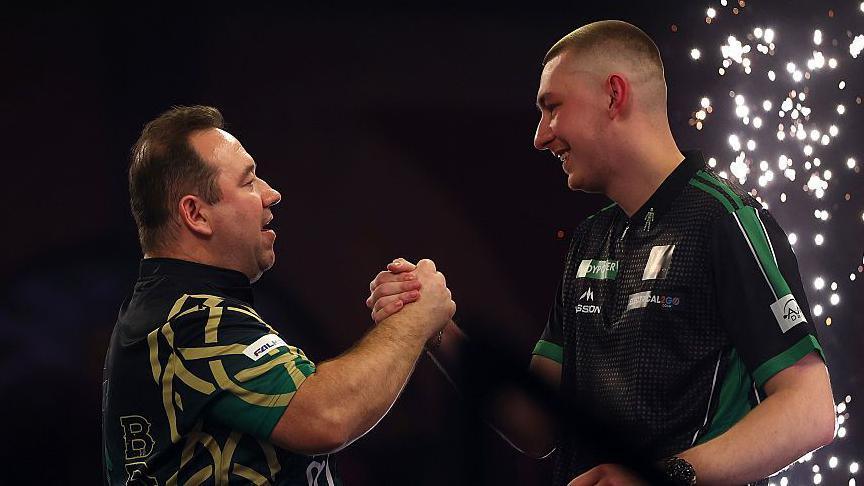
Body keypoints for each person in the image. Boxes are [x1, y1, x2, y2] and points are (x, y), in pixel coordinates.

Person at [367, 20, 835, 485]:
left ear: (614, 95)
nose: (540, 136)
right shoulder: (589, 240)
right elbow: (538, 426)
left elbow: (811, 410)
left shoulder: (724, 221)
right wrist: (435, 328)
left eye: (552, 108)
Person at [102, 105, 456, 485]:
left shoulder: (173, 313)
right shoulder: (191, 321)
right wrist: (415, 320)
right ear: (197, 214)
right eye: (248, 182)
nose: (272, 194)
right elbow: (327, 416)